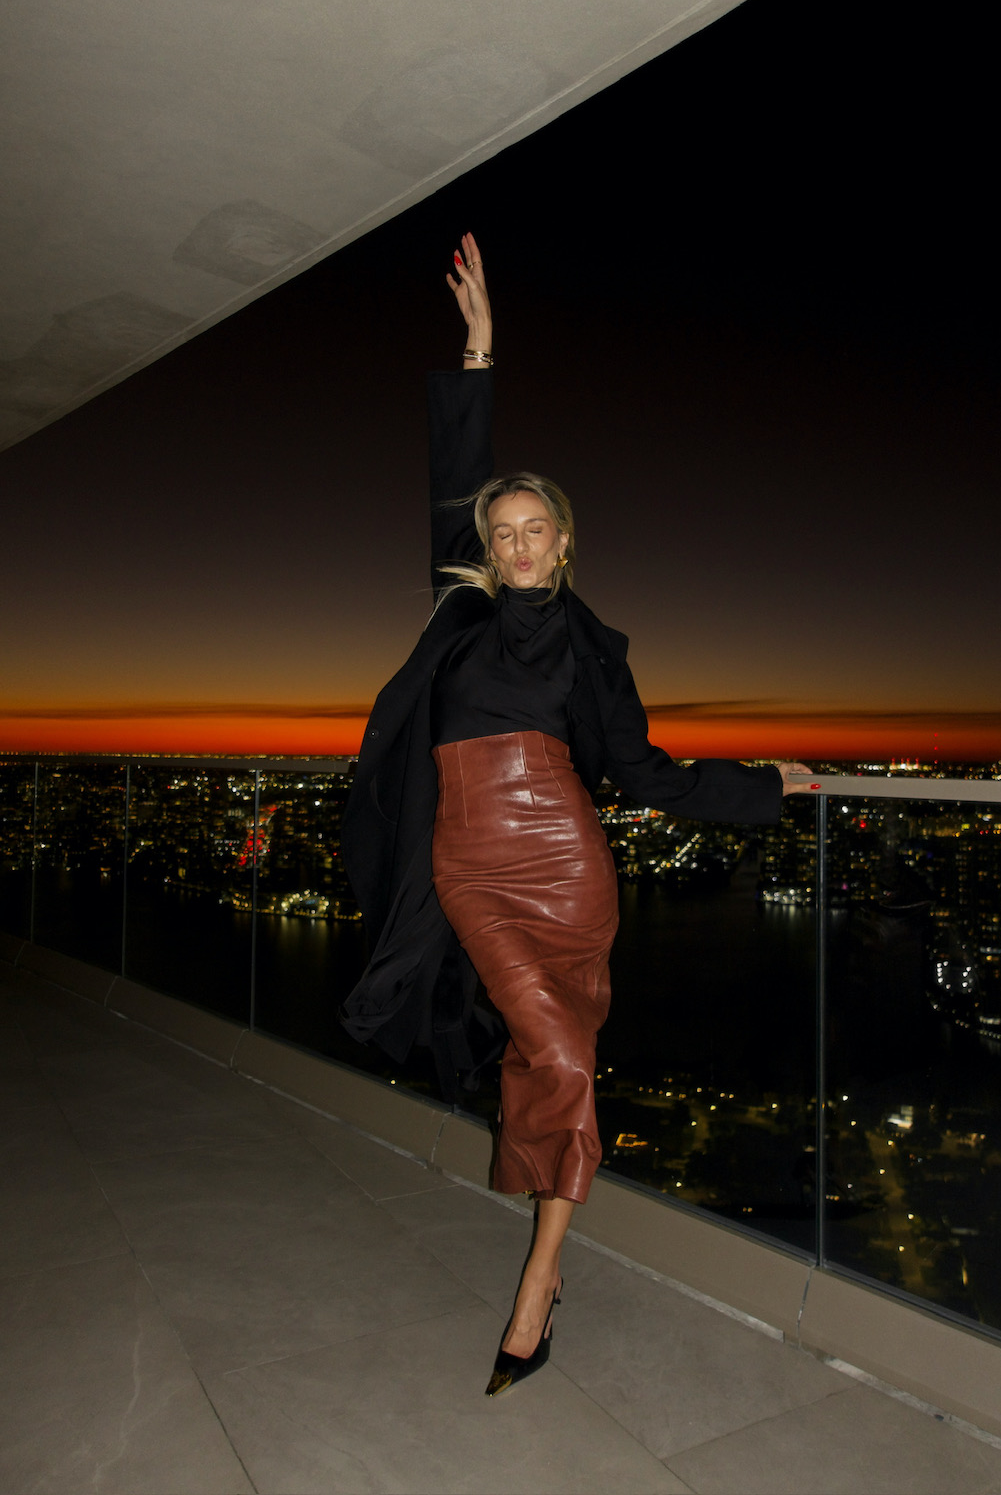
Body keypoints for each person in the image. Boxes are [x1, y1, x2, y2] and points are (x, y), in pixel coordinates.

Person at [341, 233, 814, 1397]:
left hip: (566, 866)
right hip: (468, 863)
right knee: (550, 1051)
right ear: (486, 548)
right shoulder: (460, 615)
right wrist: (479, 351)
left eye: (531, 528)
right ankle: (542, 1275)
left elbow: (641, 773)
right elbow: (457, 464)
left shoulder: (591, 653)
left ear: (561, 537)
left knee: (561, 1059)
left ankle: (540, 1276)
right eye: (498, 532)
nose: (514, 543)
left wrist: (764, 787)